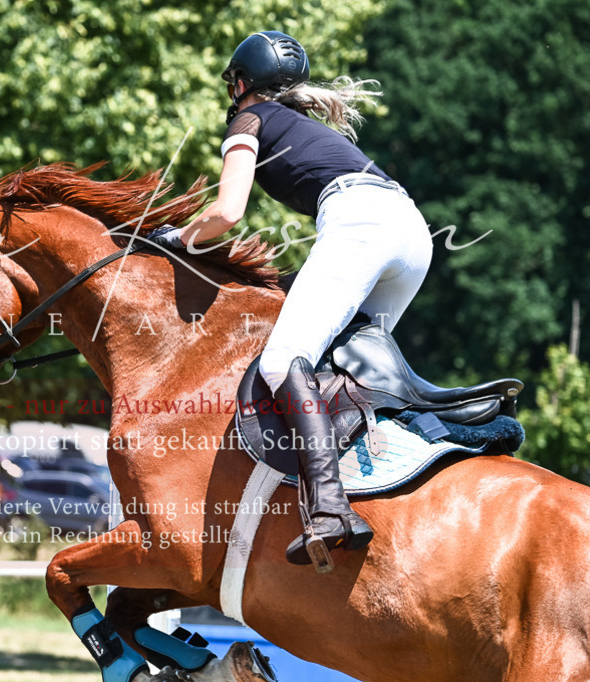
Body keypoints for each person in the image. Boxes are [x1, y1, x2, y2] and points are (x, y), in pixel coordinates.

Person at [150, 31, 432, 564]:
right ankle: (383, 477)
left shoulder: (247, 121)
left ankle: (329, 507)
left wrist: (178, 237)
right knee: (350, 368)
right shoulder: (303, 124)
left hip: (361, 222)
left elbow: (227, 212)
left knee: (284, 363)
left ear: (241, 82)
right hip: (412, 233)